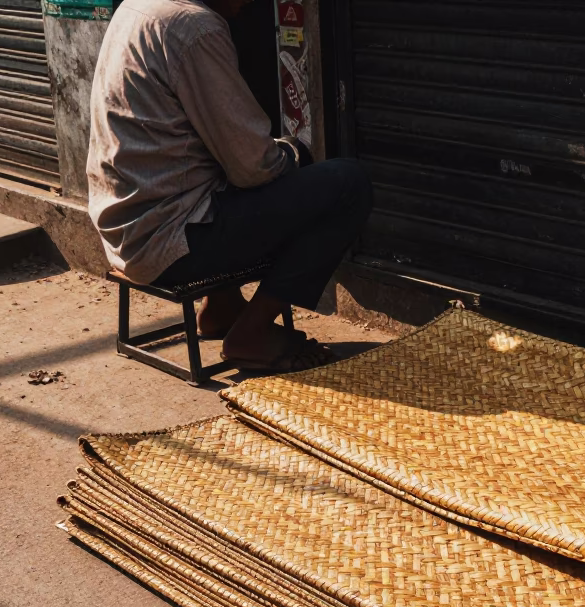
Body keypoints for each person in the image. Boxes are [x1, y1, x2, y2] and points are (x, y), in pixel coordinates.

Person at [87, 0, 373, 371]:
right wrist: (294, 154)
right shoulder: (193, 27)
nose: (248, 5)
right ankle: (252, 332)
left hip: (127, 231)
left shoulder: (136, 7)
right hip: (174, 242)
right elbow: (253, 166)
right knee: (349, 183)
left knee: (210, 165)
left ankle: (221, 307)